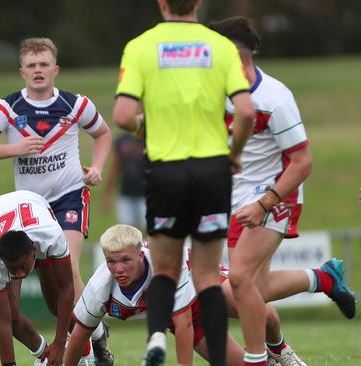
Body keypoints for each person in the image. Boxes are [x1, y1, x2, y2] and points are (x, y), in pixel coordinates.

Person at [112, 1, 256, 365]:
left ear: (162, 3)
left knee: (164, 269)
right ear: (199, 3)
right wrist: (234, 152)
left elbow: (124, 115)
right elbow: (246, 111)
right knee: (207, 275)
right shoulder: (221, 47)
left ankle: (156, 336)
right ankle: (220, 359)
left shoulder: (141, 45)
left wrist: (148, 128)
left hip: (166, 173)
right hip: (212, 172)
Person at [207, 16, 356, 366]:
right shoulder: (213, 90)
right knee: (247, 291)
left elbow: (303, 163)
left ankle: (259, 358)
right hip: (235, 200)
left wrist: (265, 202)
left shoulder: (275, 98)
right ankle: (321, 279)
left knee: (240, 280)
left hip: (275, 195)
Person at [0, 37, 114, 364]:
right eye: (31, 65)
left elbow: (103, 134)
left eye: (44, 64)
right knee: (53, 299)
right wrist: (13, 149)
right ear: (22, 71)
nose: (38, 71)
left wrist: (98, 168)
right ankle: (97, 332)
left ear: (55, 69)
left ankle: (87, 354)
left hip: (68, 199)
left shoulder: (75, 105)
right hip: (30, 210)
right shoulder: (6, 108)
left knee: (71, 273)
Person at [66, 224, 346, 366]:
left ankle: (282, 350)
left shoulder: (166, 267)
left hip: (204, 280)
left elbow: (183, 322)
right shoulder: (100, 285)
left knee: (265, 314)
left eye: (125, 260)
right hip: (189, 316)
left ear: (141, 254)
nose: (117, 268)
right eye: (111, 261)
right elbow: (80, 332)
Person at [0, 190, 94, 366]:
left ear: (34, 250)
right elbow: (3, 322)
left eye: (23, 266)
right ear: (2, 260)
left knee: (55, 304)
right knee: (12, 316)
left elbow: (67, 288)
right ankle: (46, 356)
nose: (21, 274)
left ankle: (86, 352)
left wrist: (60, 344)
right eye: (12, 269)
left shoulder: (51, 235)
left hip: (35, 204)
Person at [101, 132, 147, 231]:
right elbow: (115, 168)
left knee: (150, 230)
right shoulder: (122, 139)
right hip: (125, 195)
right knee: (127, 232)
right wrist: (107, 195)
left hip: (147, 195)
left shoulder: (149, 136)